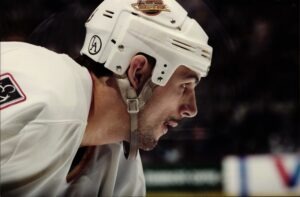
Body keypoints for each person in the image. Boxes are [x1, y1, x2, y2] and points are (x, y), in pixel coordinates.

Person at [0, 0, 213, 196]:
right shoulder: (44, 94)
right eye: (184, 86)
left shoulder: (121, 164)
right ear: (137, 73)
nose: (191, 108)